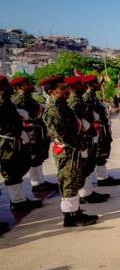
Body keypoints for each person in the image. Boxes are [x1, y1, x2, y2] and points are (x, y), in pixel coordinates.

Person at [41, 76, 97, 227]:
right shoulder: (53, 110)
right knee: (69, 182)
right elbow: (61, 135)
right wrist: (81, 145)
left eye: (66, 87)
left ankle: (74, 211)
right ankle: (71, 216)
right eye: (62, 88)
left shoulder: (62, 106)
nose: (66, 91)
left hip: (73, 149)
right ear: (52, 92)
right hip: (67, 151)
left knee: (74, 179)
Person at [1, 75, 43, 212]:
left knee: (17, 169)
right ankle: (17, 201)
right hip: (7, 142)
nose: (9, 87)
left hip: (14, 138)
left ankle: (20, 200)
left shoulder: (6, 101)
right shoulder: (2, 102)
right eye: (6, 85)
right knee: (11, 171)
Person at [10, 76, 58, 194]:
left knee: (38, 158)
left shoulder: (28, 98)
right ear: (19, 87)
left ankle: (41, 182)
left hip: (37, 132)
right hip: (30, 133)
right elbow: (18, 118)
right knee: (33, 158)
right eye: (27, 84)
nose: (31, 85)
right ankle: (36, 184)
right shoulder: (19, 100)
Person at [67, 76, 110, 204]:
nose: (84, 86)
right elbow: (77, 122)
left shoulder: (80, 99)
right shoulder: (75, 101)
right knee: (83, 165)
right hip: (82, 138)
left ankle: (88, 191)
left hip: (88, 135)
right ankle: (84, 194)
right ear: (73, 87)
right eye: (81, 84)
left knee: (87, 164)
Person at [82, 75, 120, 187]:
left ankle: (103, 177)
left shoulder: (93, 96)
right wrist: (94, 125)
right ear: (89, 85)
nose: (99, 85)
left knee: (102, 152)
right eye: (96, 83)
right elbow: (85, 114)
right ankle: (100, 179)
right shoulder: (87, 97)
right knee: (98, 152)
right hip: (96, 129)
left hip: (102, 128)